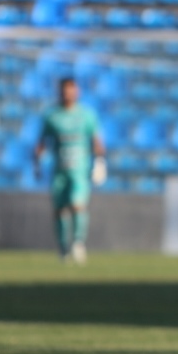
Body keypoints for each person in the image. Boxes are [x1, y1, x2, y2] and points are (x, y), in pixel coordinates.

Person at [33, 76, 106, 265]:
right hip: (59, 170)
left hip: (79, 171)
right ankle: (63, 248)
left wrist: (99, 162)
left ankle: (78, 243)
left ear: (77, 92)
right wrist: (37, 163)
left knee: (77, 204)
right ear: (60, 91)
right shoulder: (52, 116)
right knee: (59, 210)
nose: (68, 93)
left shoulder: (87, 115)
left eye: (71, 89)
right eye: (64, 90)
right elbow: (42, 142)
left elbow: (96, 141)